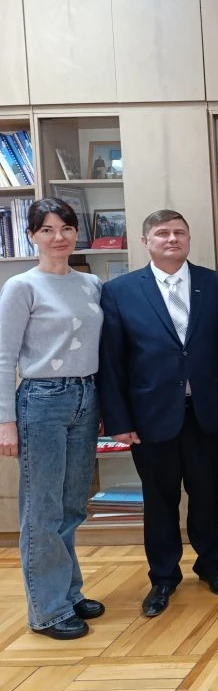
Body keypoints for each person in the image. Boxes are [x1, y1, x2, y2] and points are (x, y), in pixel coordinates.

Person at [98, 210, 218, 617]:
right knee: (160, 500)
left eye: (179, 232)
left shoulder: (217, 285)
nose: (172, 239)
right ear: (146, 241)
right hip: (150, 416)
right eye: (162, 233)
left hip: (205, 411)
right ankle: (163, 577)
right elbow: (112, 361)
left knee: (206, 494)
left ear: (188, 238)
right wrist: (119, 421)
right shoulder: (120, 291)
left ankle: (210, 566)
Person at [0, 198, 104, 640]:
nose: (58, 237)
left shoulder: (91, 283)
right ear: (32, 236)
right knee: (41, 509)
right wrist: (5, 421)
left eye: (66, 228)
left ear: (76, 232)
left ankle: (67, 592)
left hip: (86, 396)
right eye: (47, 229)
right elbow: (4, 357)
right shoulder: (21, 287)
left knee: (72, 504)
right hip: (41, 401)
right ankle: (46, 611)